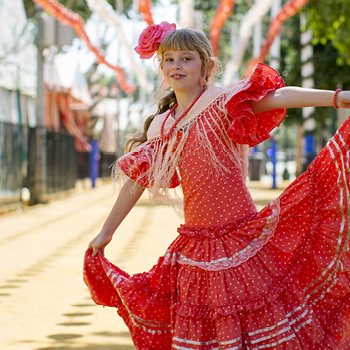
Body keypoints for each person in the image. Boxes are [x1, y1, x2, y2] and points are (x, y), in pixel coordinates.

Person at [84, 22, 350, 349]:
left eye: (186, 59)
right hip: (195, 248)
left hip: (243, 242)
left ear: (206, 67)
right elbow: (136, 183)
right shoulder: (160, 126)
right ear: (160, 67)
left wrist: (338, 98)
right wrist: (106, 231)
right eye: (168, 60)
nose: (176, 66)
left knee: (260, 330)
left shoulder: (223, 102)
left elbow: (278, 96)